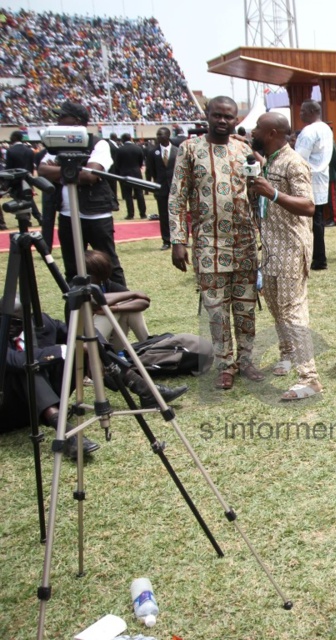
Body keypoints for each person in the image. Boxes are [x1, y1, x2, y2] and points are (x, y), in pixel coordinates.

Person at [2, 297, 187, 459]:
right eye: (5, 321)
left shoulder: (43, 322)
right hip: (15, 408)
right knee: (29, 367)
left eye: (15, 323)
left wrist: (92, 349)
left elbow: (79, 331)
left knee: (90, 345)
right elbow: (15, 360)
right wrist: (67, 349)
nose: (9, 328)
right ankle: (67, 435)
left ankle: (144, 389)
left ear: (28, 319)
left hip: (52, 393)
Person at [168, 96, 263, 390]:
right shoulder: (189, 149)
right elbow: (176, 196)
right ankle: (225, 364)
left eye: (229, 117)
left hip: (244, 241)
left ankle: (245, 360)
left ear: (236, 120)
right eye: (217, 115)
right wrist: (177, 240)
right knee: (216, 308)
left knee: (245, 306)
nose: (223, 121)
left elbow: (256, 193)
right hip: (208, 243)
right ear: (206, 115)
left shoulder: (243, 149)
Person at [248, 112, 322, 401]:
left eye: (257, 127)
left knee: (292, 312)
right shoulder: (270, 162)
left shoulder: (294, 162)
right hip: (271, 249)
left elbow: (309, 206)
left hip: (291, 248)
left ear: (271, 132)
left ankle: (310, 379)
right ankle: (288, 353)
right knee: (276, 306)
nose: (253, 130)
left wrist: (273, 193)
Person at [38, 100, 125, 287]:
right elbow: (42, 171)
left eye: (62, 117)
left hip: (96, 214)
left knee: (109, 265)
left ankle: (122, 306)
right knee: (73, 268)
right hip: (67, 215)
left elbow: (90, 175)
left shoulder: (98, 143)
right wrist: (71, 172)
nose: (58, 120)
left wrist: (60, 170)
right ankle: (76, 311)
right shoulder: (56, 145)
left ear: (76, 121)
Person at [294, 100, 334, 271]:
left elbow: (298, 158)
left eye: (303, 111)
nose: (300, 114)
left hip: (308, 177)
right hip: (321, 176)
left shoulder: (309, 131)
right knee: (317, 220)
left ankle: (317, 257)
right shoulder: (325, 128)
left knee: (308, 220)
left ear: (311, 111)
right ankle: (319, 257)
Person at [85, 249, 150, 352]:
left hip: (110, 344)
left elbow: (144, 302)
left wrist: (116, 308)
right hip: (87, 346)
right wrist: (133, 293)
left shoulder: (105, 283)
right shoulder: (79, 287)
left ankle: (150, 346)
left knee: (130, 309)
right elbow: (97, 302)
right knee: (107, 311)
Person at [144, 126, 178, 250]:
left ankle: (180, 239)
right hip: (161, 188)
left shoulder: (177, 150)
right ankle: (166, 240)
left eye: (161, 134)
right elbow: (151, 170)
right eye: (157, 135)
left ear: (168, 135)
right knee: (163, 216)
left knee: (177, 214)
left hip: (175, 188)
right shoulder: (153, 152)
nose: (158, 137)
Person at [3, 130, 42, 231]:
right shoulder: (29, 150)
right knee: (28, 198)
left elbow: (9, 168)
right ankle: (34, 218)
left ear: (14, 138)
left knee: (20, 200)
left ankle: (27, 219)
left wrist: (6, 183)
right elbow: (30, 166)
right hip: (27, 178)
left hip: (15, 180)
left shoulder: (11, 151)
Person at [115, 133, 147, 219]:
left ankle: (130, 214)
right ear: (131, 138)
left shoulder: (120, 149)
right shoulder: (138, 148)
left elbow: (117, 163)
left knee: (128, 195)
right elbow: (141, 161)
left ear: (122, 140)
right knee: (139, 194)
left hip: (125, 173)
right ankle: (143, 213)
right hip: (136, 173)